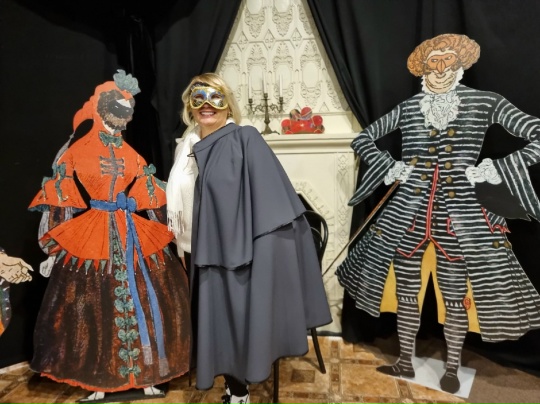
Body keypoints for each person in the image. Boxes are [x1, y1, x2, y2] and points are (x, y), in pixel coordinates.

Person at [336, 33, 540, 394]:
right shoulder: (408, 107)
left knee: (454, 295)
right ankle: (405, 360)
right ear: (422, 69)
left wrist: (497, 167)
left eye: (448, 61)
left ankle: (452, 368)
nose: (441, 69)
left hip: (460, 219)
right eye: (434, 62)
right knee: (406, 293)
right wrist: (391, 166)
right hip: (407, 216)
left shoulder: (486, 102)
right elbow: (362, 139)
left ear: (460, 64)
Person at [167, 72, 332, 404]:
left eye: (215, 97)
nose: (207, 105)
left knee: (234, 324)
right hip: (197, 250)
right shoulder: (185, 146)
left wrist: (266, 257)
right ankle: (234, 388)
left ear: (228, 105)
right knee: (216, 325)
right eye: (198, 98)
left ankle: (239, 392)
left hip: (235, 254)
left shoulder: (245, 138)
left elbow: (273, 202)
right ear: (189, 106)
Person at [28, 70, 191, 400]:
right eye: (119, 106)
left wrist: (175, 234)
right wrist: (53, 248)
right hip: (93, 230)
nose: (124, 113)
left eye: (129, 108)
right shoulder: (76, 152)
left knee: (147, 297)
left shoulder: (132, 154)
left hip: (131, 230)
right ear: (102, 108)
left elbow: (150, 193)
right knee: (94, 307)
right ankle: (99, 380)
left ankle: (145, 375)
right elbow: (62, 200)